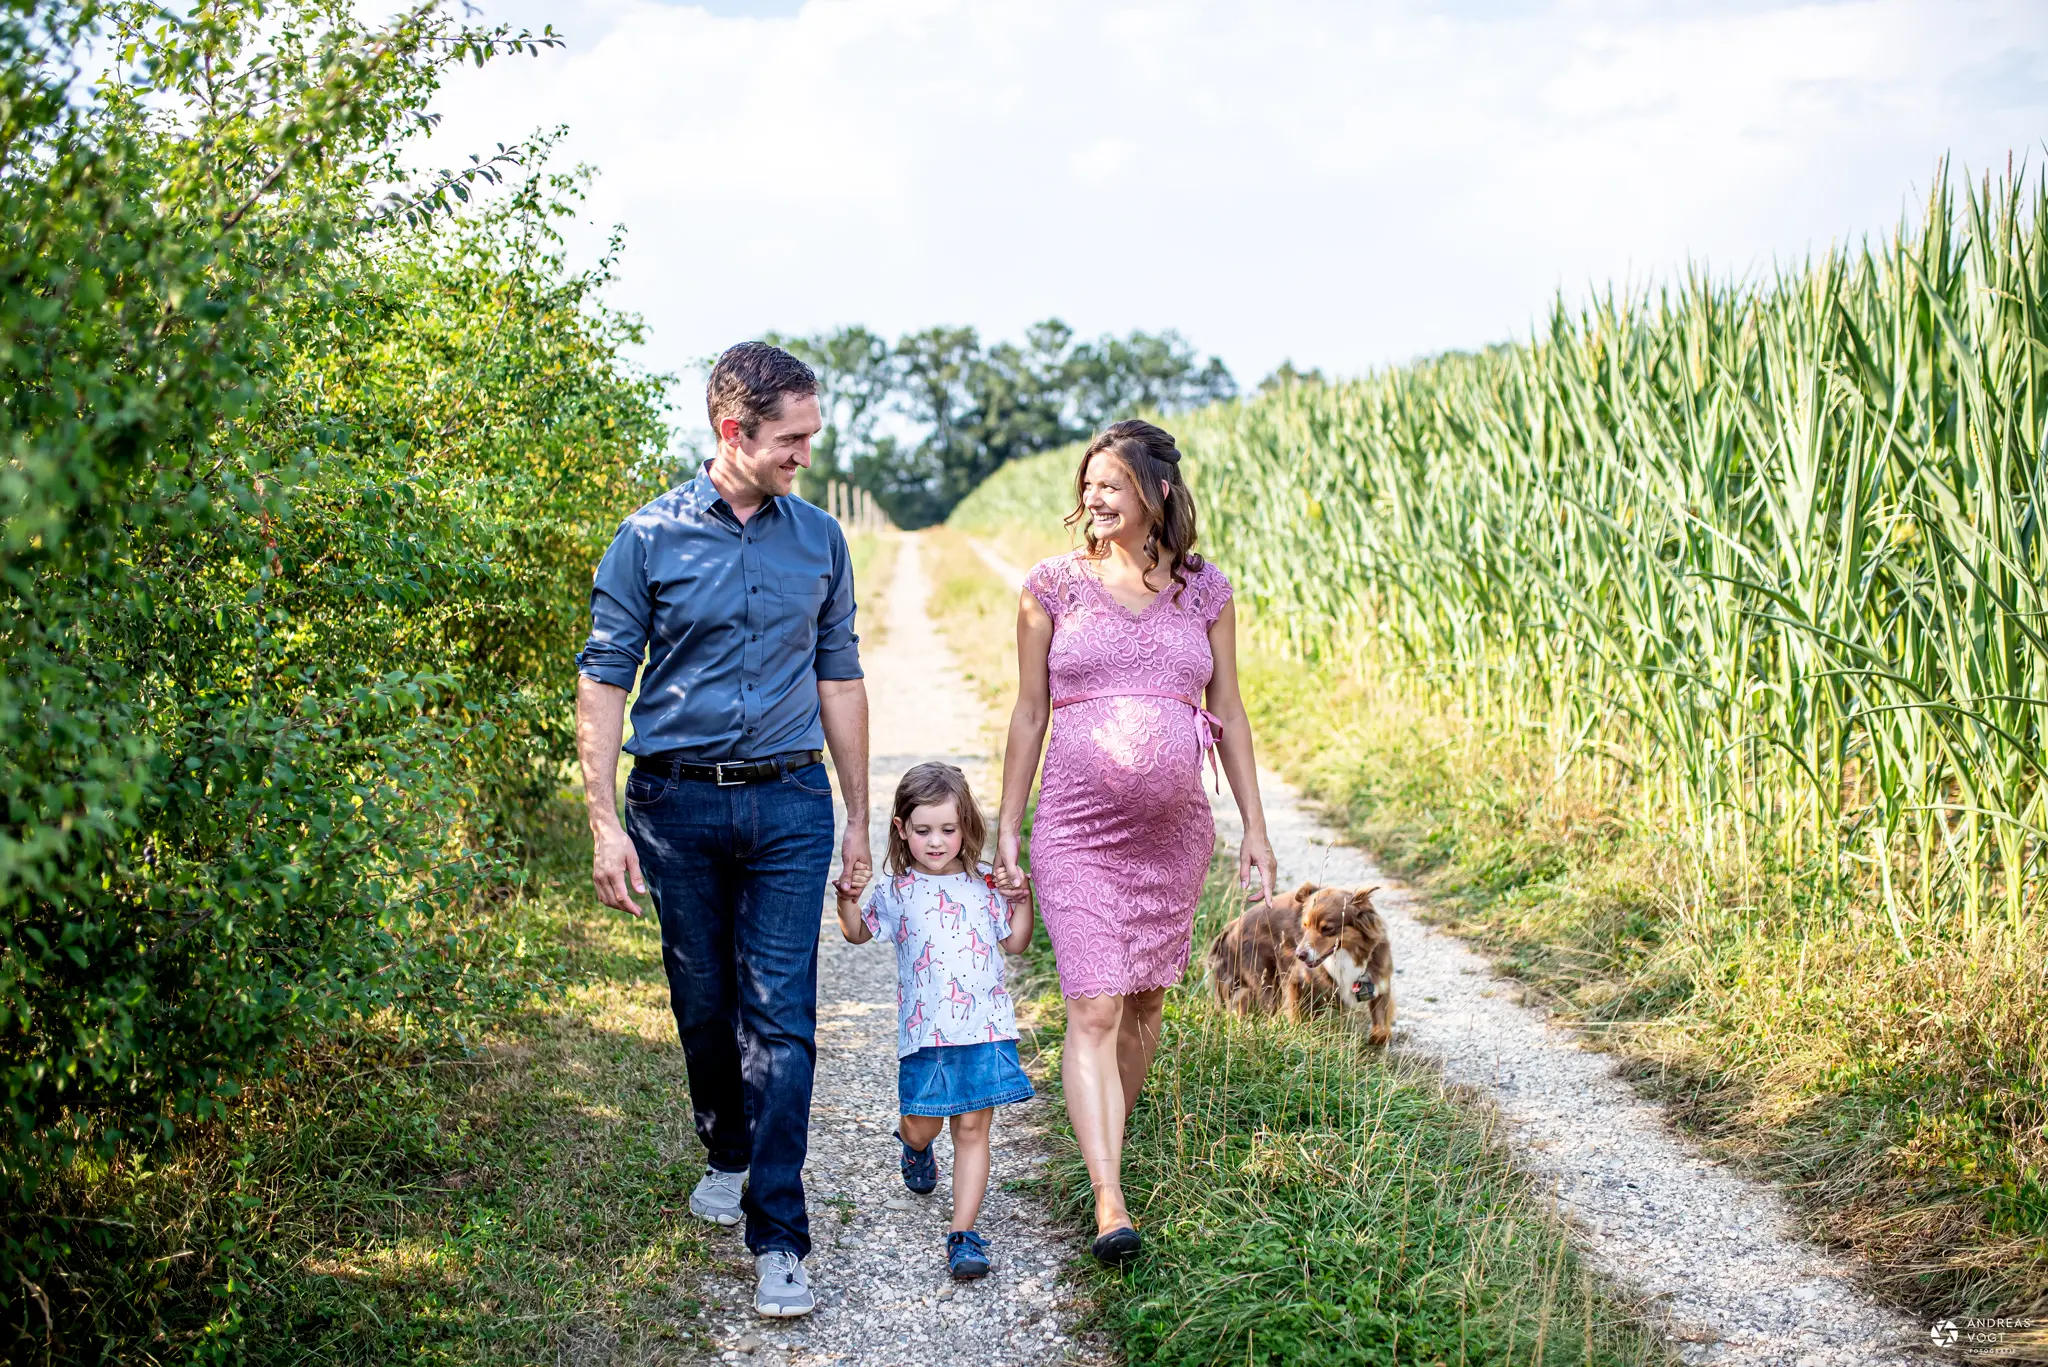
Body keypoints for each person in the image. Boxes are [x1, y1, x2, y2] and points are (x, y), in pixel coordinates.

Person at [574, 341, 872, 1319]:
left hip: (789, 803)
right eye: (791, 439)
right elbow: (605, 674)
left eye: (810, 437)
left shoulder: (820, 538)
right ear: (732, 431)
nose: (805, 456)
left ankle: (779, 1231)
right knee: (703, 1004)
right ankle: (727, 1143)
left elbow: (839, 675)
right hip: (675, 806)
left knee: (781, 1015)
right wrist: (600, 820)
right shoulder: (646, 537)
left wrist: (860, 814)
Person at [993, 419, 1278, 1266]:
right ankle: (1109, 1196)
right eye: (1088, 484)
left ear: (1157, 493)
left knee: (1145, 1002)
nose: (1094, 497)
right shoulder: (1051, 586)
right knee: (1093, 1002)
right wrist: (1007, 826)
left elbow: (1231, 712)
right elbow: (1029, 712)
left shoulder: (1205, 590)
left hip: (1174, 835)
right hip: (1076, 828)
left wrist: (1255, 827)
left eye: (1111, 484)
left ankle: (1109, 1136)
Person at [835, 762, 1035, 1280]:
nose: (936, 841)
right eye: (923, 830)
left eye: (948, 829)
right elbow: (858, 933)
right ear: (902, 829)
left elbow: (1014, 943)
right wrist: (847, 900)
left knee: (972, 1127)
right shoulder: (896, 891)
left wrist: (1022, 901)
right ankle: (913, 1147)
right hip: (926, 1037)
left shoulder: (985, 885)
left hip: (986, 1029)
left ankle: (963, 1233)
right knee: (924, 1124)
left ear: (965, 825)